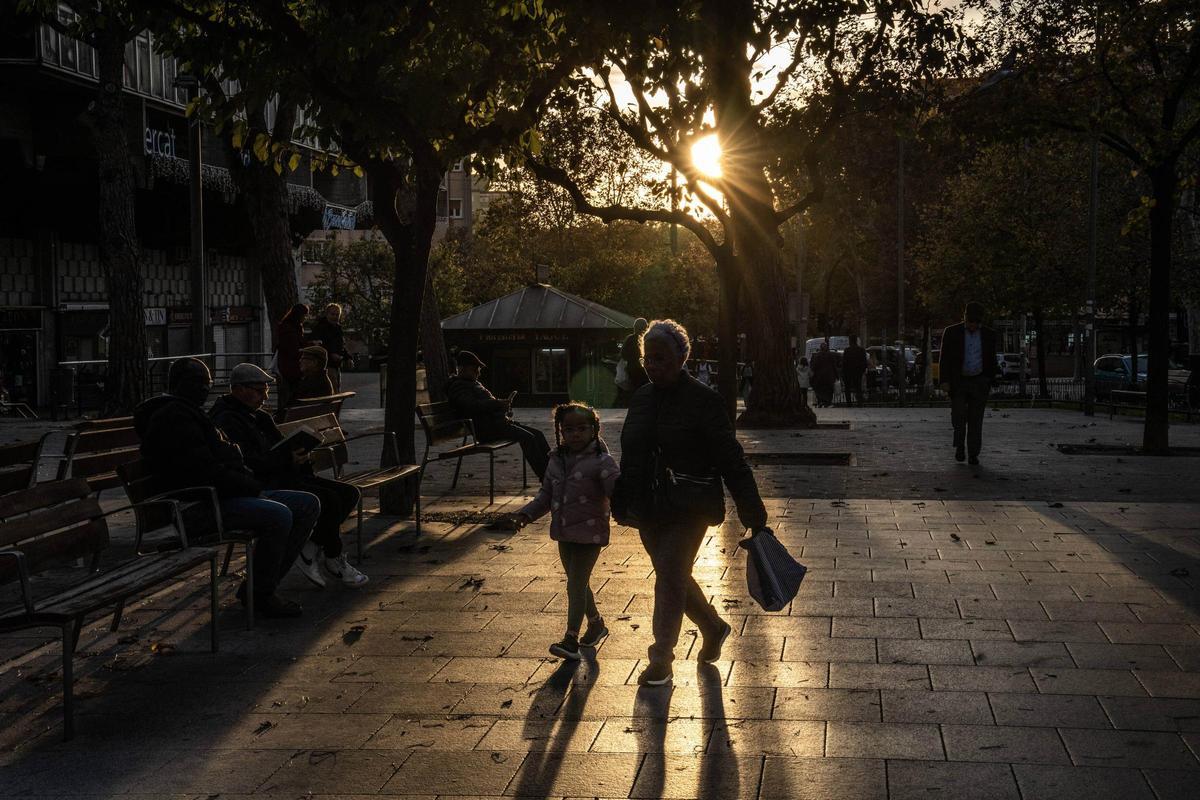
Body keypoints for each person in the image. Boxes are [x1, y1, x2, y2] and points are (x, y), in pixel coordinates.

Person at [613, 319, 769, 687]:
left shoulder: (704, 401)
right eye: (648, 358)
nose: (653, 365)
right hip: (648, 507)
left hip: (689, 505)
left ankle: (661, 659)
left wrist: (753, 512)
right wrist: (621, 501)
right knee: (674, 575)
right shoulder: (641, 397)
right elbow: (631, 455)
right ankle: (713, 627)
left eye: (662, 357)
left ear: (682, 356)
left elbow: (731, 459)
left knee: (668, 574)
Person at [134, 358, 319, 618]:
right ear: (178, 384)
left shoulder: (191, 413)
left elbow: (228, 455)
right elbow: (206, 469)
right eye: (198, 383)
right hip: (195, 506)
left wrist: (237, 466)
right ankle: (261, 594)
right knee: (279, 514)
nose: (204, 390)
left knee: (307, 503)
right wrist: (252, 486)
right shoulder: (174, 418)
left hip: (220, 494)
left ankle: (260, 586)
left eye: (207, 384)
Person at [210, 363, 368, 589]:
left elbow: (279, 446)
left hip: (284, 473)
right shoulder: (227, 420)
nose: (264, 396)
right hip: (263, 481)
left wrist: (301, 457)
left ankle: (311, 546)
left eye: (266, 389)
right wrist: (287, 460)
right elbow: (247, 461)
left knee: (349, 493)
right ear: (238, 389)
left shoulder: (259, 416)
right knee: (328, 500)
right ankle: (333, 556)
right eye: (259, 390)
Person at [513, 403, 620, 660]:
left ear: (594, 430)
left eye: (582, 429)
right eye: (568, 429)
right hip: (563, 531)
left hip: (590, 533)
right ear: (560, 431)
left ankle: (571, 638)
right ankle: (595, 623)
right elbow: (545, 495)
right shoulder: (555, 461)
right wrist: (525, 514)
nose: (575, 435)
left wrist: (630, 509)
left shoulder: (601, 461)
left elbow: (617, 490)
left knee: (575, 583)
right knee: (578, 582)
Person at [445, 350, 551, 480]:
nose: (478, 372)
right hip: (487, 429)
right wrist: (498, 404)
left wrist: (502, 406)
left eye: (478, 369)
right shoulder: (459, 386)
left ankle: (552, 472)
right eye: (474, 369)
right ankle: (546, 478)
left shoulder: (472, 384)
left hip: (497, 425)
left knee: (538, 434)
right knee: (528, 438)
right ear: (462, 369)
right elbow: (471, 406)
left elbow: (485, 404)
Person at [940, 301, 1000, 465]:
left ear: (981, 321)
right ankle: (960, 446)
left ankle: (973, 453)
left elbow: (991, 358)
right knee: (958, 417)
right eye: (970, 322)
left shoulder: (989, 335)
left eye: (976, 322)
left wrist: (991, 379)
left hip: (980, 381)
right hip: (959, 381)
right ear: (965, 318)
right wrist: (944, 381)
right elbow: (944, 358)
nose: (973, 325)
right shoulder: (952, 332)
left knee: (976, 419)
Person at [274, 303, 310, 409]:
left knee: (288, 396)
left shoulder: (289, 327)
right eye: (304, 315)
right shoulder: (290, 329)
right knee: (290, 396)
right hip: (290, 368)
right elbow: (293, 349)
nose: (305, 318)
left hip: (288, 367)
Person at [311, 303, 353, 392]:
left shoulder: (338, 328)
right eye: (332, 314)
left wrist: (348, 358)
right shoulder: (320, 328)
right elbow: (319, 346)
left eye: (337, 314)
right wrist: (331, 355)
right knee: (332, 391)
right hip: (326, 365)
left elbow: (341, 346)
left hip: (336, 364)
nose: (335, 317)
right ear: (327, 314)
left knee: (336, 389)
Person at [618, 318, 650, 401]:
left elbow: (623, 354)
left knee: (635, 389)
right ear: (645, 327)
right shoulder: (647, 339)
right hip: (645, 369)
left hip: (632, 369)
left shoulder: (630, 339)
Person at [842, 335, 868, 407]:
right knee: (858, 388)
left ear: (850, 341)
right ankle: (859, 403)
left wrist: (844, 372)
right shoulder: (861, 350)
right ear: (856, 340)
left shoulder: (847, 350)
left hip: (848, 372)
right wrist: (862, 371)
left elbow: (844, 362)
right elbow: (864, 362)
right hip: (858, 372)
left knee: (847, 388)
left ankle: (849, 403)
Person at [810, 341, 839, 408]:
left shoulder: (817, 355)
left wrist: (812, 375)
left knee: (820, 389)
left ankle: (820, 401)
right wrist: (837, 376)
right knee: (829, 390)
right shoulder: (831, 355)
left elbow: (813, 366)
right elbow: (834, 366)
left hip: (819, 377)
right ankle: (827, 402)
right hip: (829, 376)